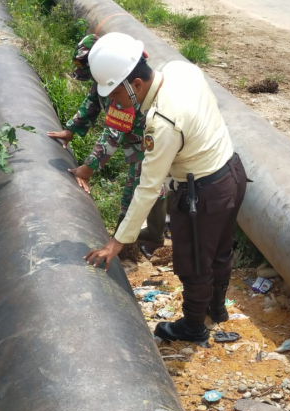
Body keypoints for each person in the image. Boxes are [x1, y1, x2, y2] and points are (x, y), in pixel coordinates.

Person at [84, 32, 248, 343]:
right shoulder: (178, 69)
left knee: (195, 261)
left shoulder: (162, 122)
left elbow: (148, 188)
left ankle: (193, 326)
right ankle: (217, 308)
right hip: (232, 172)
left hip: (203, 192)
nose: (114, 103)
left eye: (115, 95)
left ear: (135, 86)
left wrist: (116, 243)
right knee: (221, 249)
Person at [47, 34, 166, 257]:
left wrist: (88, 167)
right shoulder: (105, 81)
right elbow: (91, 103)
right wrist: (71, 129)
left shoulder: (121, 87)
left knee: (135, 192)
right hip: (135, 140)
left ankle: (125, 247)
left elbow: (114, 132)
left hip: (147, 143)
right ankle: (152, 234)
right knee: (150, 188)